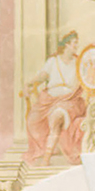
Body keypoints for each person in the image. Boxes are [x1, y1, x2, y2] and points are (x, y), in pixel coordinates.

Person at [24, 30, 87, 165]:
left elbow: (87, 80)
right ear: (66, 44)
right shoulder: (53, 61)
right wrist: (29, 83)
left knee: (57, 116)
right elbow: (42, 76)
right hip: (49, 100)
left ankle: (46, 159)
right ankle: (47, 150)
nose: (77, 46)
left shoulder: (78, 62)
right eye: (74, 43)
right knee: (32, 119)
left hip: (70, 100)